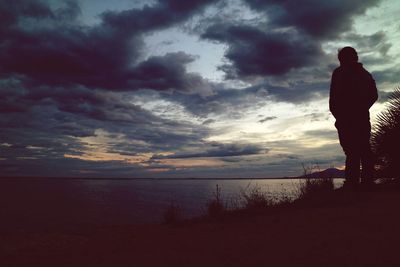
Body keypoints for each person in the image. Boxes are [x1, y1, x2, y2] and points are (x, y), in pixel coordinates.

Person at [329, 46, 378, 190]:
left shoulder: (344, 73)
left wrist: (357, 110)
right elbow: (373, 95)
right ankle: (363, 182)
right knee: (359, 149)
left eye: (342, 59)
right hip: (352, 118)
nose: (341, 62)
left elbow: (334, 98)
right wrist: (339, 115)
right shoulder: (364, 74)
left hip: (354, 118)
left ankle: (354, 183)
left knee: (355, 150)